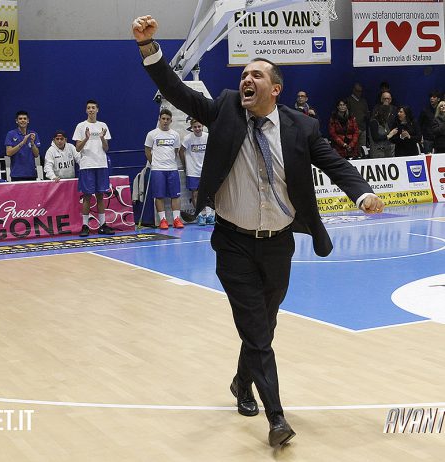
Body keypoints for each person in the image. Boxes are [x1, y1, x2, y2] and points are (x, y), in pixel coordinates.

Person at [132, 14, 384, 449]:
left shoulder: (301, 126)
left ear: (275, 89)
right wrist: (148, 48)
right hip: (233, 242)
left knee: (264, 323)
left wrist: (362, 194)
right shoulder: (225, 109)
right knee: (256, 327)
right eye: (244, 74)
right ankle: (277, 418)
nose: (246, 79)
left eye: (256, 75)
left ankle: (241, 381)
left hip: (278, 243)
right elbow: (176, 91)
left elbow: (334, 163)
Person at [72, 100, 115, 236]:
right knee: (87, 196)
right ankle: (85, 226)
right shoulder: (81, 126)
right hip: (87, 165)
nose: (91, 110)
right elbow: (77, 148)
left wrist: (102, 138)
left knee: (100, 195)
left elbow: (106, 148)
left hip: (101, 164)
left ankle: (102, 225)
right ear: (86, 110)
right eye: (88, 108)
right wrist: (86, 138)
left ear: (97, 110)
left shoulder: (103, 125)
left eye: (93, 108)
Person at [144, 108, 184, 230]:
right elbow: (147, 150)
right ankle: (163, 220)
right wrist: (154, 163)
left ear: (171, 121)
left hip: (172, 169)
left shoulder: (175, 135)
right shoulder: (152, 134)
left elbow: (176, 150)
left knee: (175, 195)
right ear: (159, 119)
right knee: (159, 196)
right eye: (163, 119)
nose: (165, 121)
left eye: (167, 119)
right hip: (157, 170)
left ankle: (176, 219)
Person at [178, 118, 214, 225]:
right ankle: (200, 216)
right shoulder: (188, 138)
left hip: (206, 171)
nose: (197, 129)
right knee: (195, 194)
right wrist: (185, 165)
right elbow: (181, 151)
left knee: (209, 194)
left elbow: (214, 150)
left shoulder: (207, 137)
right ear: (191, 127)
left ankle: (209, 215)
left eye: (199, 126)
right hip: (193, 171)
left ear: (203, 126)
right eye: (195, 127)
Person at [4, 110, 41, 181]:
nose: (23, 120)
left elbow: (36, 154)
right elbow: (8, 153)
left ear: (28, 121)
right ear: (16, 121)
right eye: (20, 119)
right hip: (16, 174)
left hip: (31, 173)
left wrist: (32, 143)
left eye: (25, 118)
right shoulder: (11, 134)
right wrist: (23, 142)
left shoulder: (33, 134)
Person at [346, 83, 370, 155]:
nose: (359, 93)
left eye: (360, 91)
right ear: (353, 90)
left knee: (362, 148)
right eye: (357, 91)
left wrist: (367, 116)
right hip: (352, 129)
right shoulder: (348, 100)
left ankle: (362, 158)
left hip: (363, 128)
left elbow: (367, 113)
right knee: (352, 148)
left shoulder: (364, 101)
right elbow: (347, 116)